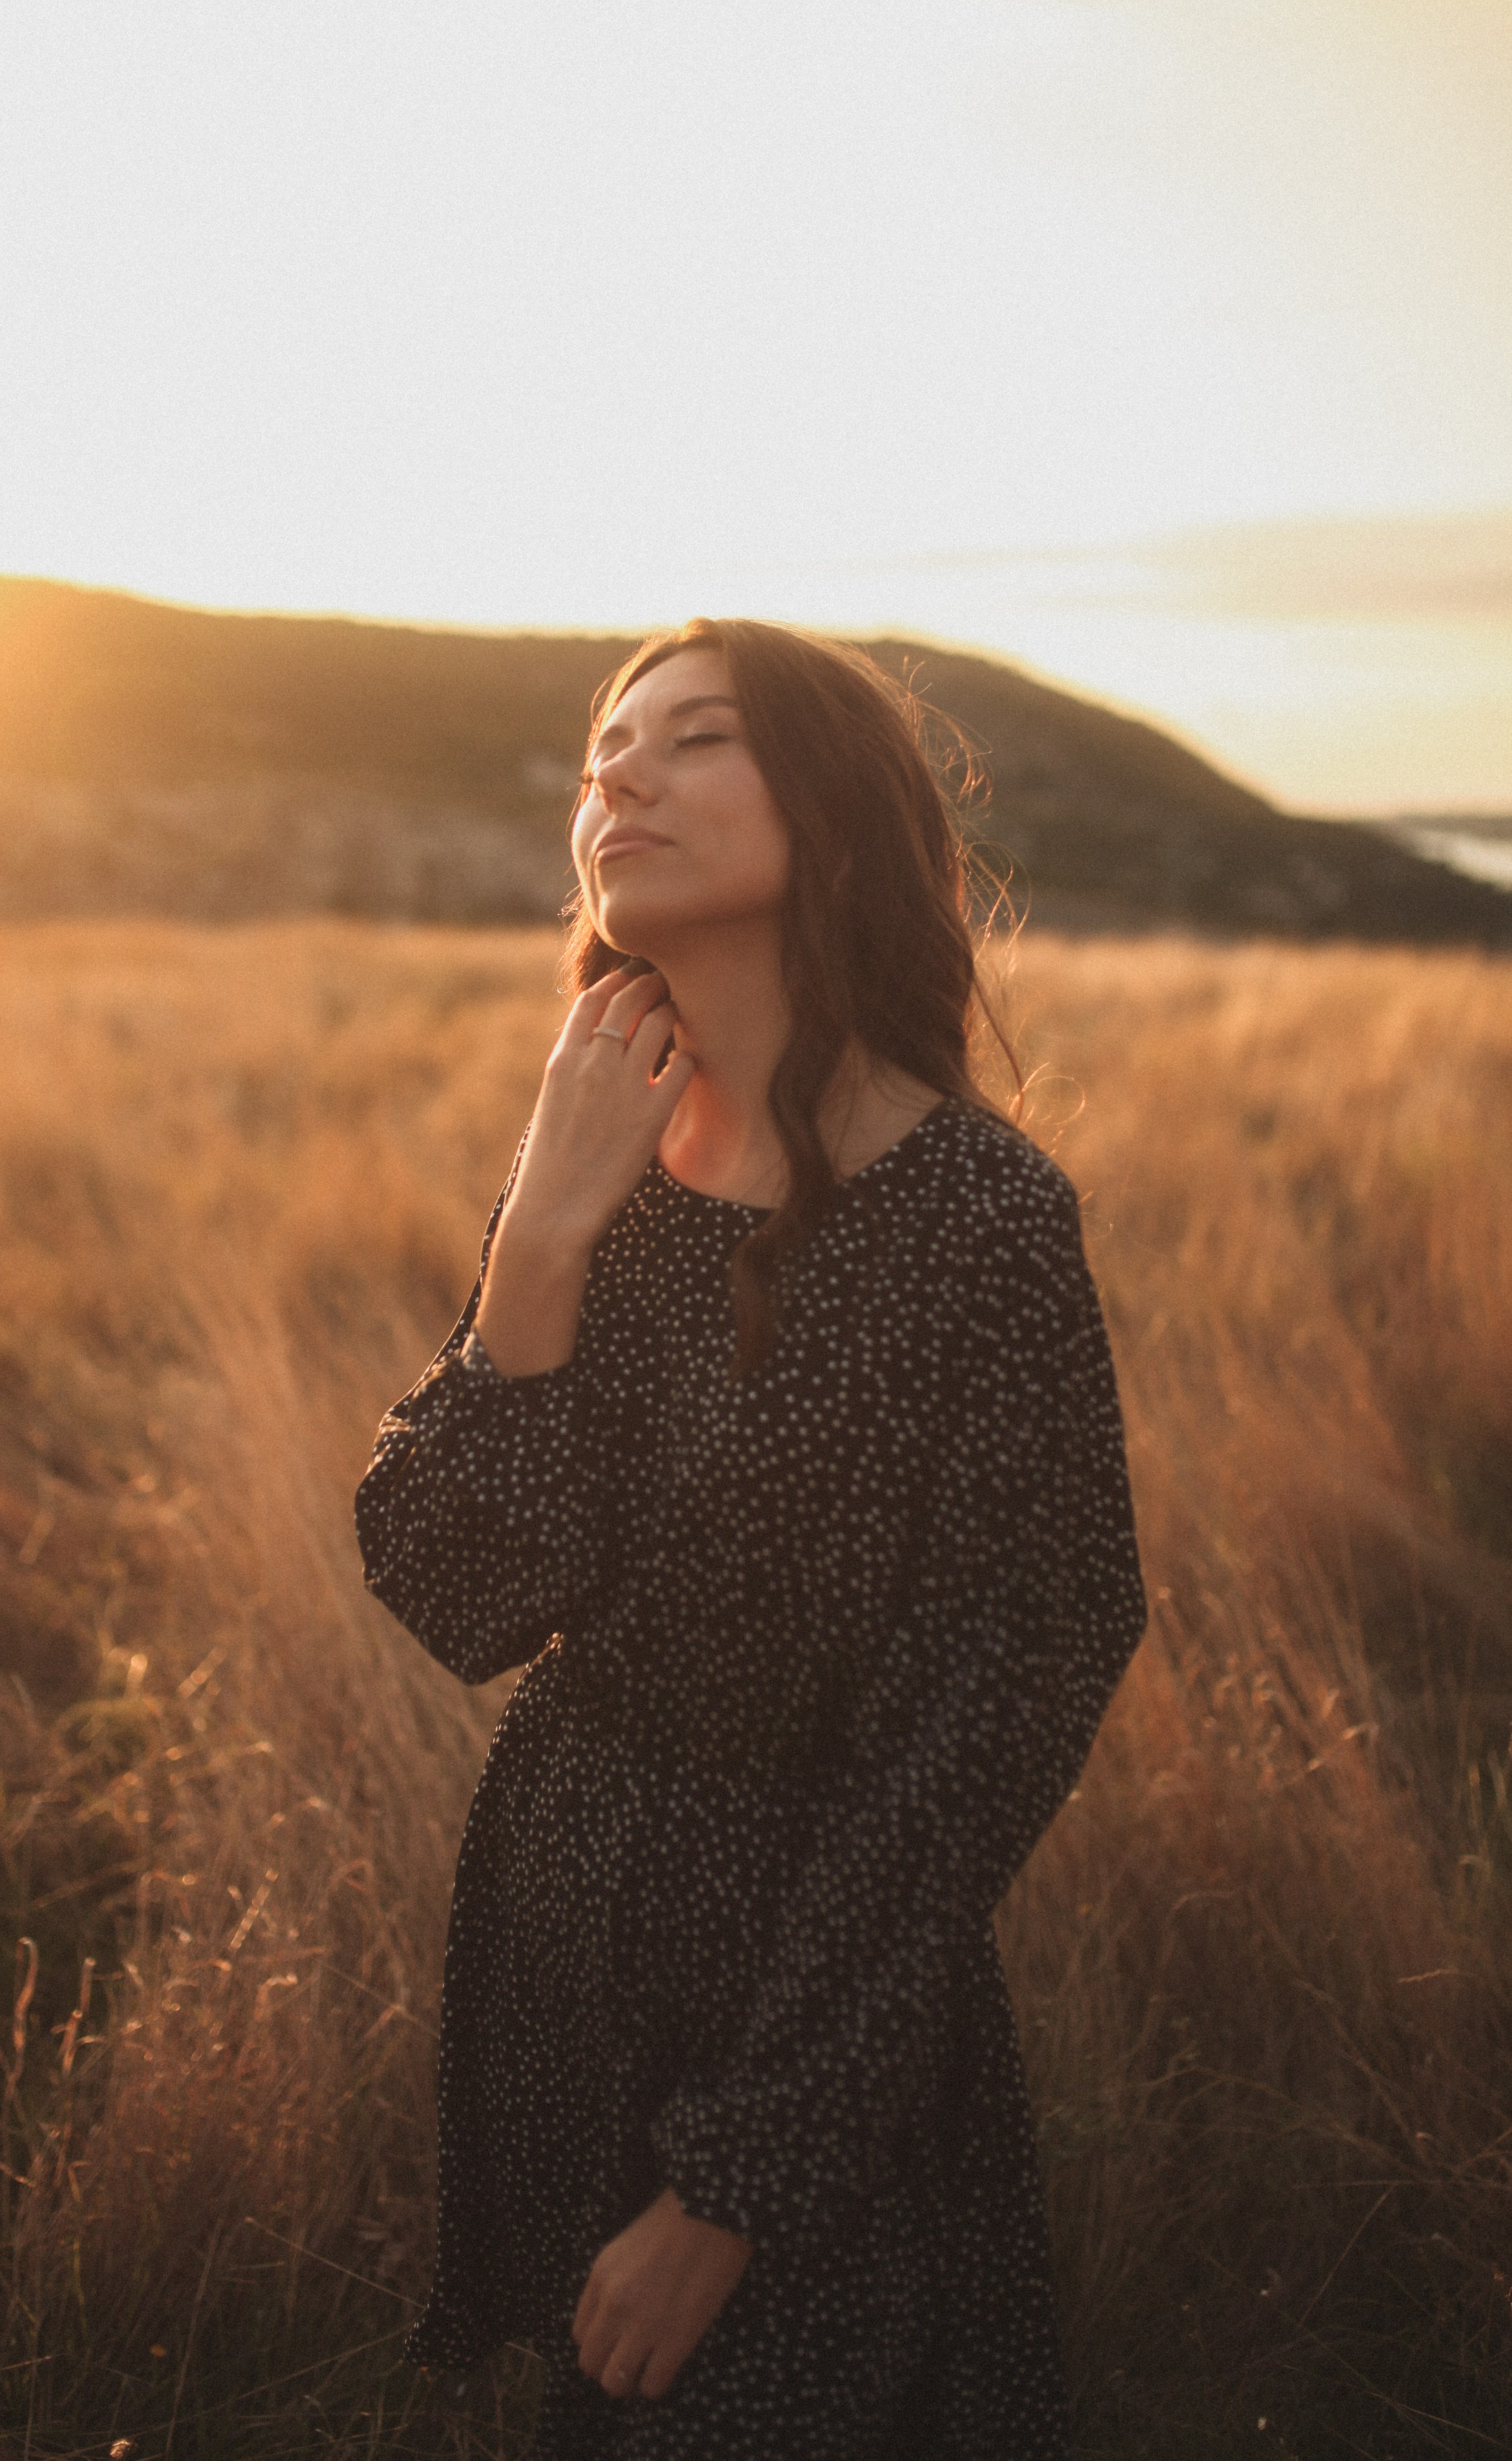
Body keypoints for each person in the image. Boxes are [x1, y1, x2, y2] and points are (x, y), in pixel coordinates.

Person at [353, 618, 1147, 2458]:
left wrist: (740, 2178)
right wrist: (536, 1250)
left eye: (687, 741)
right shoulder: (595, 1168)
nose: (611, 775)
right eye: (597, 755)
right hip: (556, 1954)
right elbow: (463, 1592)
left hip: (811, 1999)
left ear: (842, 824)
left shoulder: (978, 1221)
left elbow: (1000, 1705)